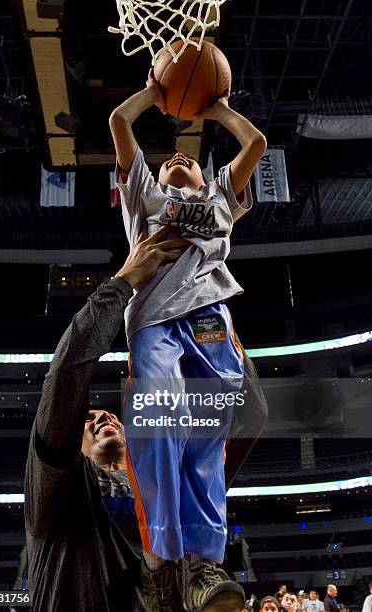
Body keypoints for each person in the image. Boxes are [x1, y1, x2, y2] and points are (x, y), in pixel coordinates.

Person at [109, 69, 267, 611]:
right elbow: (117, 121)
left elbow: (256, 144)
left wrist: (218, 108)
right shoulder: (144, 196)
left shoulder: (223, 193)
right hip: (153, 318)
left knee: (204, 445)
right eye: (168, 159)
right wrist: (156, 95)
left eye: (188, 159)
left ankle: (202, 566)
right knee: (159, 419)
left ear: (205, 176)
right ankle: (159, 561)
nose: (176, 159)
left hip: (211, 321)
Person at [24, 227, 189, 612]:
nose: (102, 418)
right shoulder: (57, 485)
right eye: (88, 418)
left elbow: (252, 414)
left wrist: (213, 313)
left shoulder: (166, 485)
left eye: (112, 415)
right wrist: (122, 282)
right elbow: (66, 373)